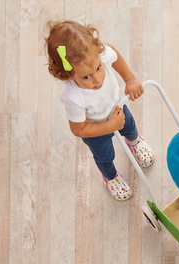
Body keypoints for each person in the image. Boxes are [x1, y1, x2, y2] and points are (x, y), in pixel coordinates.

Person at [45, 20, 154, 201]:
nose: (97, 79)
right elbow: (78, 129)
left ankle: (134, 143)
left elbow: (114, 54)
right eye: (86, 77)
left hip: (118, 108)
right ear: (67, 75)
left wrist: (130, 79)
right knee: (105, 156)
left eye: (98, 68)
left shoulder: (100, 55)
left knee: (130, 128)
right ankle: (110, 177)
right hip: (95, 131)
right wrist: (110, 126)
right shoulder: (73, 97)